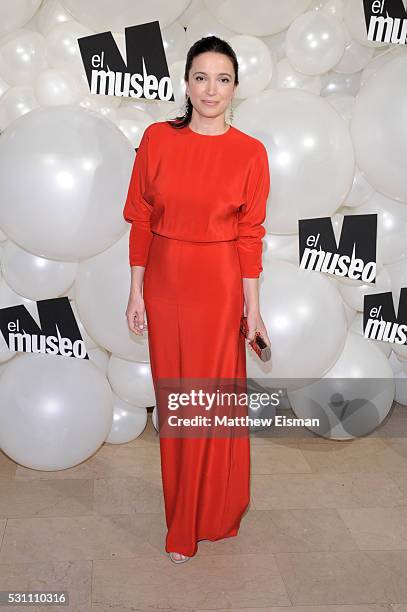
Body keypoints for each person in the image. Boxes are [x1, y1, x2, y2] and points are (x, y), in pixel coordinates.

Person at [123, 35, 271, 564]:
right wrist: (136, 290)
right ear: (186, 82)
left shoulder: (251, 153)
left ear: (235, 88)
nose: (212, 89)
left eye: (223, 79)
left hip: (219, 288)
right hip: (164, 285)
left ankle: (209, 513)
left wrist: (252, 310)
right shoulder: (157, 138)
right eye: (202, 77)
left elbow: (250, 236)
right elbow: (141, 218)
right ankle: (182, 517)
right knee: (176, 403)